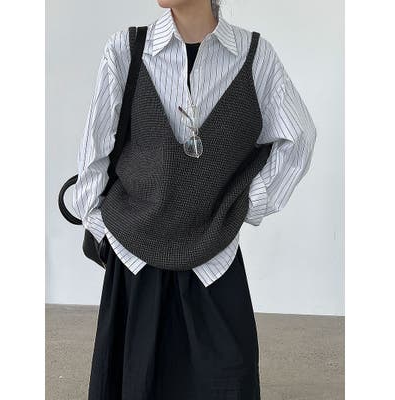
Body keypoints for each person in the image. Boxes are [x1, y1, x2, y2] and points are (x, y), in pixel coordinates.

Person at [72, 1, 317, 399]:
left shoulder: (254, 56)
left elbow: (298, 138)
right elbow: (93, 150)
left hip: (213, 260)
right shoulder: (126, 49)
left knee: (226, 380)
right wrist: (103, 228)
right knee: (137, 382)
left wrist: (242, 206)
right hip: (134, 256)